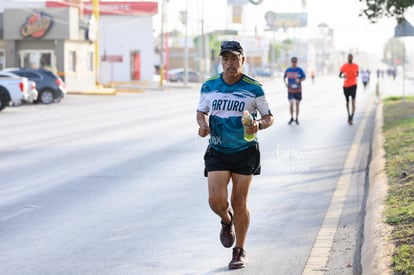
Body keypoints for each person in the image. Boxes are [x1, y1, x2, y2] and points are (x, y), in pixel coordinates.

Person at [196, 40, 274, 270]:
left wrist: (258, 125)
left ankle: (239, 250)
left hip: (244, 151)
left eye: (234, 58)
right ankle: (226, 220)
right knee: (216, 201)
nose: (229, 63)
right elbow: (201, 111)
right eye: (225, 59)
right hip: (218, 149)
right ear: (221, 60)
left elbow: (269, 117)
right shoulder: (209, 85)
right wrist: (202, 125)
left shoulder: (254, 87)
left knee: (239, 201)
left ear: (243, 60)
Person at [283, 57, 306, 125]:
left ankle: (297, 118)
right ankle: (292, 117)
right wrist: (286, 84)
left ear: (297, 62)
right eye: (293, 61)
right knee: (291, 104)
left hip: (298, 90)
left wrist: (300, 80)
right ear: (291, 62)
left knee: (297, 104)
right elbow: (284, 77)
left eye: (295, 61)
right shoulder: (288, 70)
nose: (294, 63)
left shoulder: (300, 70)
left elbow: (304, 77)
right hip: (290, 90)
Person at [339, 53, 359, 125]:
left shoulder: (356, 66)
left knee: (353, 102)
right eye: (349, 57)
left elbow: (357, 74)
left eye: (351, 57)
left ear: (352, 58)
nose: (350, 58)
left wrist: (355, 74)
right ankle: (348, 115)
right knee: (347, 102)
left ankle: (351, 117)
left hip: (353, 85)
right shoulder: (344, 66)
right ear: (347, 58)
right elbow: (340, 75)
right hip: (346, 86)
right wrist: (344, 76)